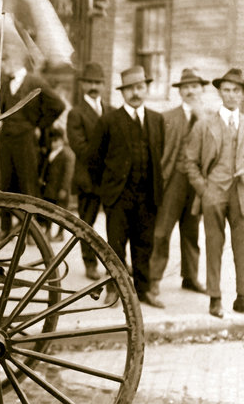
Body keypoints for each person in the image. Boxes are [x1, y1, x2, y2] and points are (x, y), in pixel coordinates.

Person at [89, 65, 165, 308]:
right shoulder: (109, 120)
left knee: (144, 245)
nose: (135, 93)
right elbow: (94, 159)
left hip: (147, 195)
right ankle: (115, 289)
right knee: (115, 246)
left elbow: (159, 153)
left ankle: (144, 291)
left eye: (140, 87)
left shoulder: (156, 119)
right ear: (123, 92)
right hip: (118, 196)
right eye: (130, 88)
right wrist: (107, 191)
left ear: (146, 89)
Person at [183, 67, 244, 318]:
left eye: (236, 91)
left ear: (242, 95)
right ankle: (215, 298)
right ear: (219, 92)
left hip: (240, 195)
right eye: (226, 90)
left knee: (242, 246)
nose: (230, 95)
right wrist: (204, 189)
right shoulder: (205, 125)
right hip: (213, 193)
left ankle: (242, 296)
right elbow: (190, 162)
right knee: (214, 246)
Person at [148, 68, 207, 298]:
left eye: (194, 86)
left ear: (201, 90)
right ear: (180, 92)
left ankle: (190, 278)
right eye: (186, 87)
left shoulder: (209, 116)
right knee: (161, 232)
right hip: (173, 179)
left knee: (191, 232)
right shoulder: (167, 118)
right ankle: (154, 279)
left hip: (197, 183)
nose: (190, 91)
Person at [0, 46, 66, 204]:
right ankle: (5, 228)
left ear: (15, 60)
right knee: (6, 186)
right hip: (6, 141)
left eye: (5, 59)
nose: (3, 64)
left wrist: (39, 125)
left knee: (27, 185)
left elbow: (58, 105)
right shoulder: (5, 84)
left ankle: (29, 226)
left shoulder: (35, 82)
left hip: (26, 141)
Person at [67, 62, 110, 279]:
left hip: (110, 179)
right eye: (90, 82)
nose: (94, 86)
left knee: (116, 225)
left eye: (98, 82)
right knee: (87, 225)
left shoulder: (110, 110)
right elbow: (80, 148)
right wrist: (109, 157)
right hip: (88, 178)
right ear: (83, 85)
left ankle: (115, 265)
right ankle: (90, 264)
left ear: (103, 85)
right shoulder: (76, 113)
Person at [41, 127, 75, 240]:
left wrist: (64, 189)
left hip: (60, 188)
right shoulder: (52, 153)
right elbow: (46, 168)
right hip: (51, 187)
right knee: (49, 210)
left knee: (61, 213)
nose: (53, 144)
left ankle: (60, 233)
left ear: (61, 140)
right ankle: (48, 230)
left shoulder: (67, 154)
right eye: (52, 141)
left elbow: (68, 173)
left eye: (56, 141)